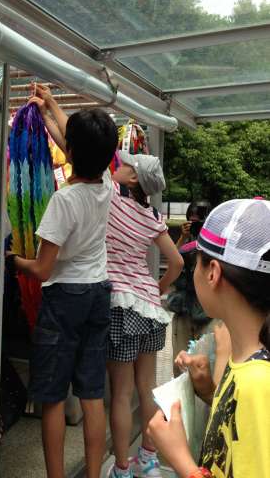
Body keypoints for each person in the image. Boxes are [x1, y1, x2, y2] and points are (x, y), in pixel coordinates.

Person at [7, 84, 118, 478]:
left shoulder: (63, 201)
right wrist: (50, 104)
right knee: (91, 394)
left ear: (69, 152)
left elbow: (42, 269)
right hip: (98, 292)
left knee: (52, 396)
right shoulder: (107, 184)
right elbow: (79, 144)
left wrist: (12, 259)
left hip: (64, 298)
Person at [147, 198, 270, 477]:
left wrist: (182, 461)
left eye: (197, 263)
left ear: (212, 272)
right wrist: (208, 391)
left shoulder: (258, 383)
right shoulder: (247, 361)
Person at [106, 152, 184, 478]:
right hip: (151, 308)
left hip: (122, 305)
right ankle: (149, 460)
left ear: (133, 177)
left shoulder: (111, 197)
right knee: (147, 386)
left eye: (125, 164)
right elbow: (177, 262)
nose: (118, 166)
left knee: (121, 394)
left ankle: (122, 469)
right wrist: (156, 288)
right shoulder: (152, 215)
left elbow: (78, 150)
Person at [167, 201, 213, 375]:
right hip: (184, 309)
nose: (195, 225)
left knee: (206, 363)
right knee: (180, 364)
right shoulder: (184, 243)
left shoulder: (214, 243)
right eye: (191, 221)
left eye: (198, 221)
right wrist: (182, 238)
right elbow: (174, 264)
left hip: (207, 312)